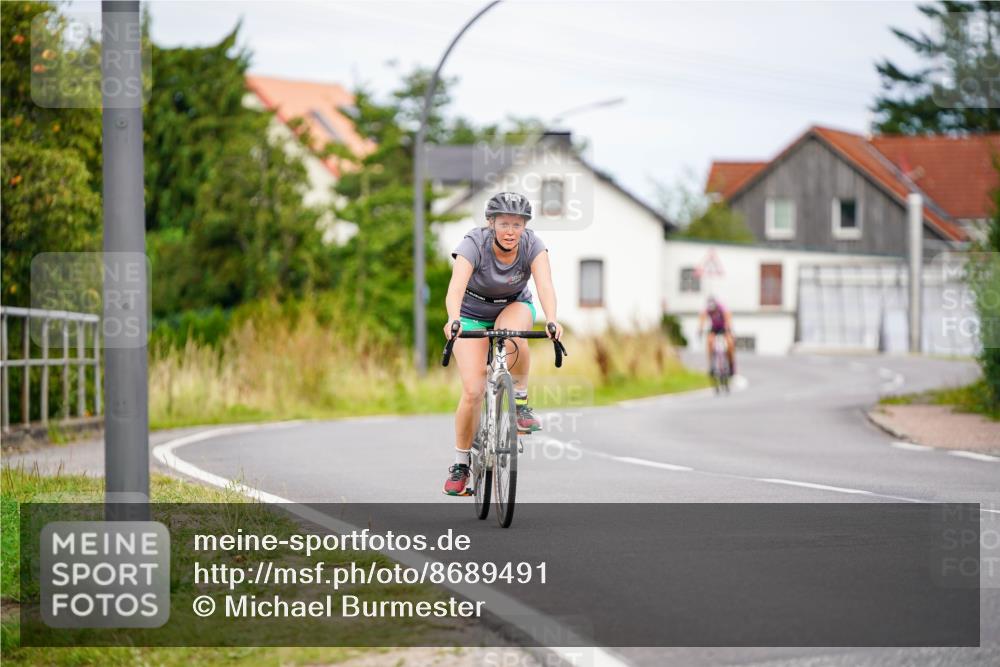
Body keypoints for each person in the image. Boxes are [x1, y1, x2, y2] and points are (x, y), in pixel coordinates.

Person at [441, 191, 563, 496]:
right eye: (504, 224)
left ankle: (519, 402)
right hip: (470, 313)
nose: (511, 231)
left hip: (512, 305)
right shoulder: (474, 243)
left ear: (525, 227)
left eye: (518, 225)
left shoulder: (533, 245)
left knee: (513, 337)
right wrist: (453, 319)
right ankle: (461, 463)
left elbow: (545, 285)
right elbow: (455, 288)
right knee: (473, 390)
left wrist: (552, 319)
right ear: (491, 223)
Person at [698, 295, 735, 377]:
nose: (713, 311)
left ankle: (731, 365)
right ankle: (711, 365)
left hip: (724, 327)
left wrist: (728, 328)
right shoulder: (707, 309)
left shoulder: (722, 307)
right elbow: (702, 319)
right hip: (714, 328)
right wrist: (700, 330)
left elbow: (728, 317)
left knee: (730, 343)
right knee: (709, 342)